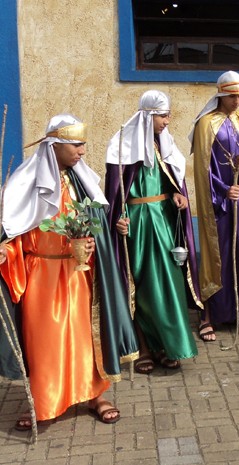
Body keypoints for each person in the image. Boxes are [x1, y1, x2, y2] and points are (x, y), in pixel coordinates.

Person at [0, 114, 138, 430]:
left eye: (83, 144)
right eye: (76, 145)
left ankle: (95, 395)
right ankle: (44, 402)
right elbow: (15, 232)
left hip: (79, 274)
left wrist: (101, 238)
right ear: (56, 145)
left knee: (85, 337)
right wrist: (5, 250)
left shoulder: (81, 179)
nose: (82, 151)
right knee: (44, 340)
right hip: (41, 275)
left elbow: (96, 225)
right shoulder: (26, 183)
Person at [105, 90, 199, 373]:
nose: (167, 121)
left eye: (168, 115)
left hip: (165, 222)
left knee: (169, 284)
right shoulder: (121, 146)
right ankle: (142, 347)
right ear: (148, 116)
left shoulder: (164, 146)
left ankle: (165, 346)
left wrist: (179, 198)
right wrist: (118, 219)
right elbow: (114, 193)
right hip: (138, 224)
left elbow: (174, 182)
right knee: (142, 286)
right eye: (162, 115)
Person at [189, 71, 239, 340]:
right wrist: (225, 190)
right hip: (220, 205)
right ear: (221, 95)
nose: (237, 101)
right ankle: (209, 316)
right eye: (232, 96)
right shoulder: (206, 124)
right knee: (220, 254)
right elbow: (203, 169)